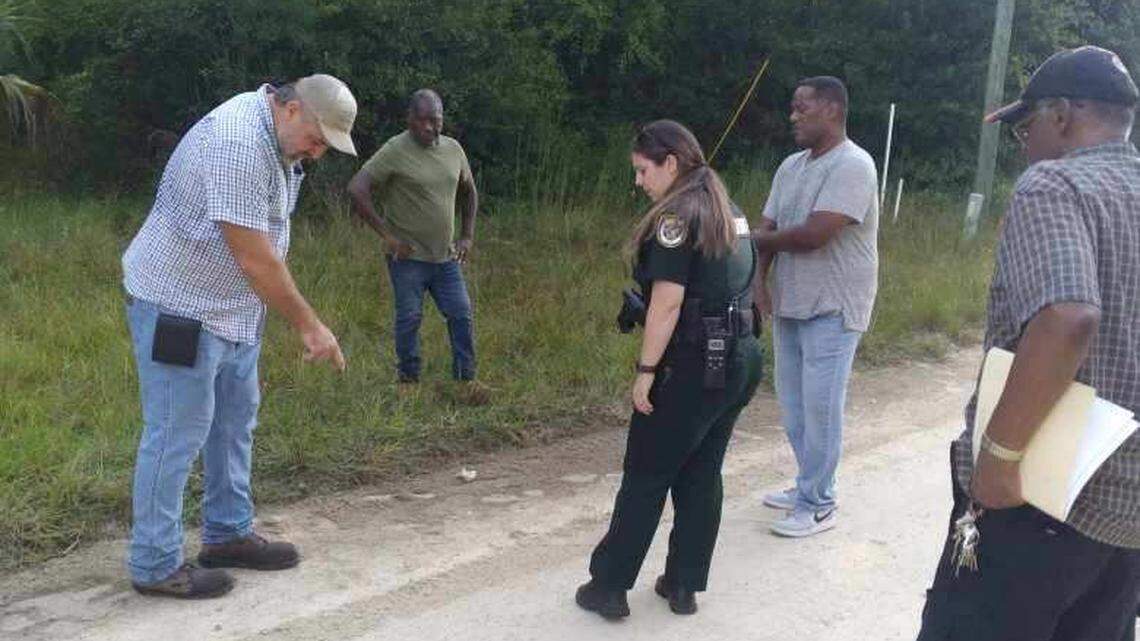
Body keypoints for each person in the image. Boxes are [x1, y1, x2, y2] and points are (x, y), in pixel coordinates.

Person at [916, 45, 1140, 641]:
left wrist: (999, 459)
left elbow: (1068, 316)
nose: (1026, 146)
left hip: (1041, 501)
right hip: (1127, 522)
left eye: (1027, 127)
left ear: (1062, 116)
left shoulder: (1056, 185)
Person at [121, 75, 357, 598]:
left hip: (232, 309)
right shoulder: (236, 144)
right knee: (176, 433)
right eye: (317, 140)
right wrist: (311, 327)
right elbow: (255, 258)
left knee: (232, 422)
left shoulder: (279, 140)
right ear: (291, 109)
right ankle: (154, 563)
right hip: (179, 308)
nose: (317, 154)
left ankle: (227, 534)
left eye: (325, 148)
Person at [575, 120, 763, 619]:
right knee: (702, 471)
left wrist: (646, 371)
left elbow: (667, 304)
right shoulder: (730, 210)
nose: (637, 182)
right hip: (741, 357)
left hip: (693, 364)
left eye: (642, 170)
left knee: (646, 473)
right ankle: (683, 585)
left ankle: (609, 587)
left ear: (671, 164)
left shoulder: (676, 218)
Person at [751, 76, 880, 537]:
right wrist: (756, 281)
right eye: (793, 107)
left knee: (821, 408)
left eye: (801, 108)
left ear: (831, 110)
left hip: (834, 305)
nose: (793, 116)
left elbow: (812, 235)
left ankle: (819, 502)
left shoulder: (854, 165)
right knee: (793, 406)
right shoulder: (791, 166)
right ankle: (807, 483)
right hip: (793, 301)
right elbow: (770, 225)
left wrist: (747, 238)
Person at [347, 89, 479, 384]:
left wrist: (467, 236)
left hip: (445, 257)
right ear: (410, 119)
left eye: (437, 119)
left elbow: (469, 191)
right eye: (423, 120)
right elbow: (357, 188)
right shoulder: (396, 149)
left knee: (461, 314)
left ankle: (465, 380)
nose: (431, 127)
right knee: (410, 318)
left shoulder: (453, 149)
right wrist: (387, 236)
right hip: (407, 258)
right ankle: (409, 379)